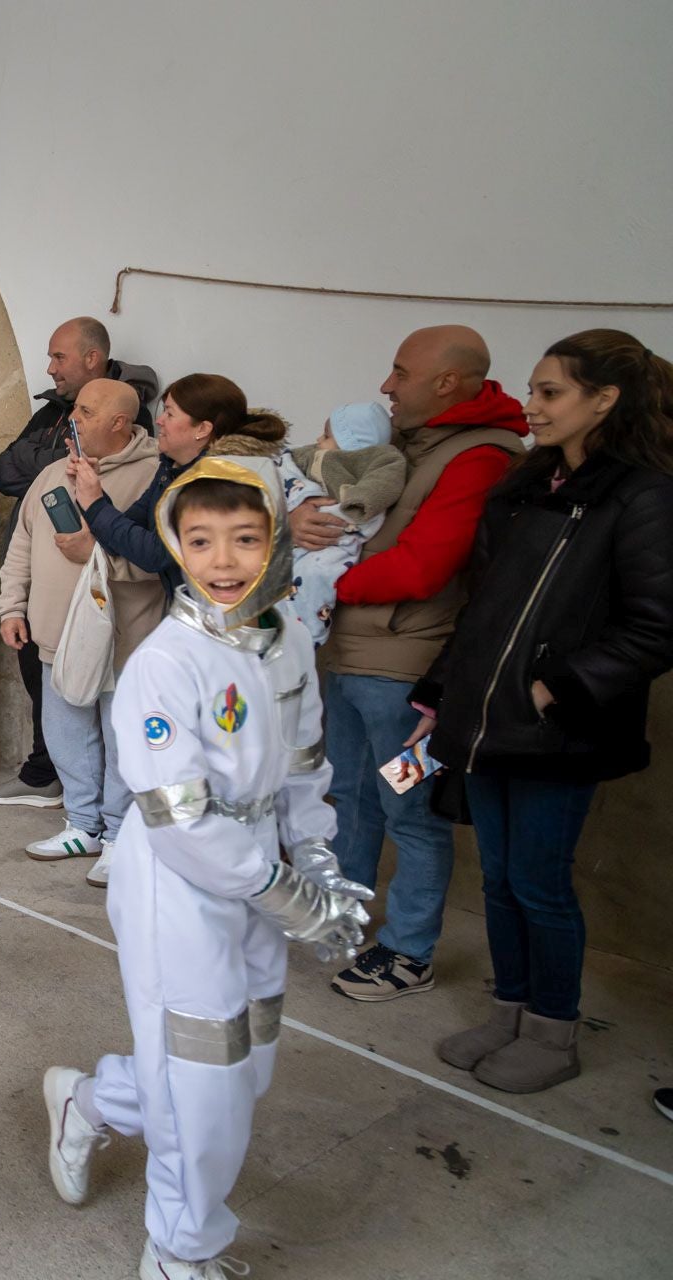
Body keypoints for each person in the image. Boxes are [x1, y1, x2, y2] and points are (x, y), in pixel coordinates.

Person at [43, 460, 371, 1280]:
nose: (222, 561)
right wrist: (293, 896)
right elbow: (182, 820)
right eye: (200, 541)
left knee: (246, 1061)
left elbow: (303, 765)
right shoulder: (165, 661)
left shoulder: (288, 638)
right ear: (174, 547)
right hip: (177, 887)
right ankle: (180, 1252)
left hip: (258, 874)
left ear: (276, 544)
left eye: (245, 539)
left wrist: (320, 858)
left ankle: (90, 1102)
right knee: (203, 1080)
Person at [413, 330, 673, 1093]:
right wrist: (440, 689)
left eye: (550, 392)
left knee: (540, 883)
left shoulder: (644, 495)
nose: (532, 406)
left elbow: (658, 623)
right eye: (533, 390)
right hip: (489, 722)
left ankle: (553, 1034)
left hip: (559, 730)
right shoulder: (529, 488)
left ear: (605, 400)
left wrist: (558, 688)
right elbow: (485, 608)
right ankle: (509, 1010)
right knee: (497, 878)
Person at [296, 326, 527, 1001]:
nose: (386, 387)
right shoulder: (409, 443)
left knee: (411, 813)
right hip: (347, 656)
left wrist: (320, 580)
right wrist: (308, 516)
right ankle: (344, 916)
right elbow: (339, 492)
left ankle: (408, 952)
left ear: (448, 382)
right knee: (349, 801)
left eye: (400, 372)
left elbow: (427, 565)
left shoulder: (482, 457)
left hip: (406, 677)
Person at [0, 379, 165, 881]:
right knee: (66, 732)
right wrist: (11, 607)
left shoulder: (154, 476)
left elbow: (161, 561)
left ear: (120, 422)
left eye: (87, 412)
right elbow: (22, 544)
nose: (75, 419)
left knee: (120, 739)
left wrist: (94, 553)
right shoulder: (52, 472)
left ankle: (119, 835)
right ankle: (83, 824)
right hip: (54, 634)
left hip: (125, 637)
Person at [64, 372, 241, 603]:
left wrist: (96, 503)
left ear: (202, 429)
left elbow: (158, 554)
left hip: (221, 617)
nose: (159, 421)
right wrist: (90, 488)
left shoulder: (213, 483)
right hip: (190, 612)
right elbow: (121, 534)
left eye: (169, 413)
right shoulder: (170, 469)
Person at [275, 403, 406, 645]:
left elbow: (385, 480)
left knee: (319, 574)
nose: (318, 439)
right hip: (302, 528)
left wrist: (358, 503)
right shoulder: (311, 454)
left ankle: (309, 634)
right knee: (279, 575)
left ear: (351, 440)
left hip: (341, 532)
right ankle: (279, 626)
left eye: (326, 435)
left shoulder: (378, 456)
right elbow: (285, 463)